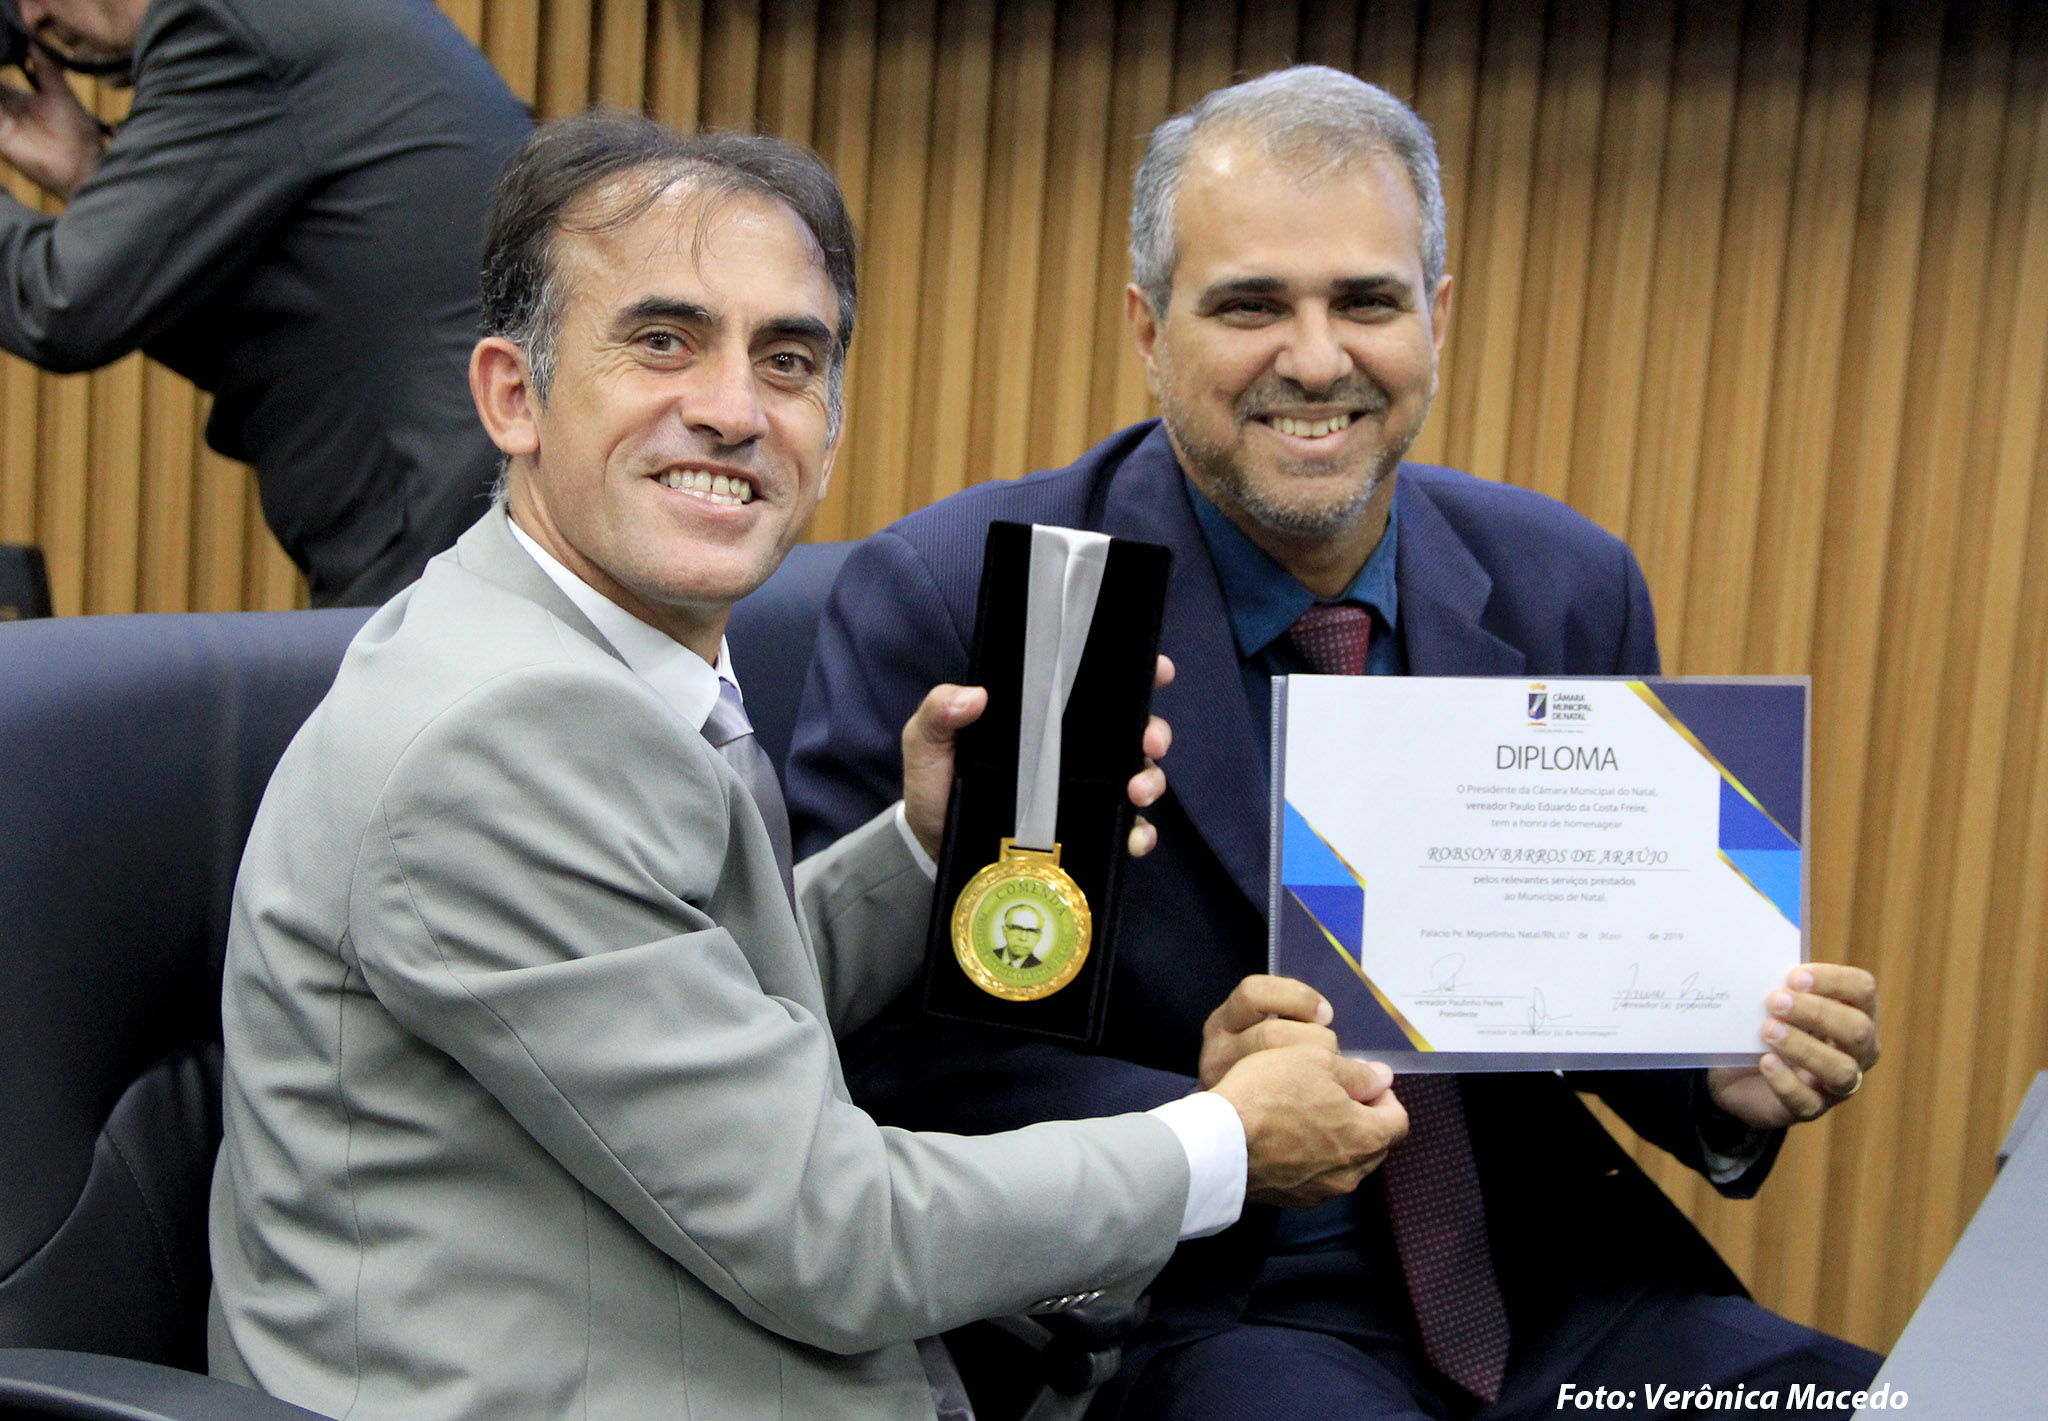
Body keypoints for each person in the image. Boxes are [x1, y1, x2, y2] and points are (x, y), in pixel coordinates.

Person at [208, 112, 1409, 1419]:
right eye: (661, 341)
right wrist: (1226, 1142)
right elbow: (834, 1233)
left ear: (829, 430)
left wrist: (919, 850)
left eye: (787, 359)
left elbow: (691, 1005)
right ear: (513, 396)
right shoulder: (503, 737)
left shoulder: (575, 650)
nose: (733, 411)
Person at [787, 67, 1886, 1420]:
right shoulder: (993, 598)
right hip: (1195, 1306)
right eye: (1251, 305)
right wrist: (1201, 1111)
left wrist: (1717, 1069)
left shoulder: (1564, 582)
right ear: (1148, 329)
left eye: (1366, 301)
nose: (1315, 359)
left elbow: (1574, 971)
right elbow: (875, 1055)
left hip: (1557, 1298)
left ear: (1436, 318)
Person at [0, 0, 530, 605]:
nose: (33, 18)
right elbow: (298, 298)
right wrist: (86, 171)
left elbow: (61, 308)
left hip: (438, 511)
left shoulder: (221, 24)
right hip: (479, 492)